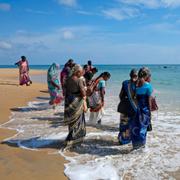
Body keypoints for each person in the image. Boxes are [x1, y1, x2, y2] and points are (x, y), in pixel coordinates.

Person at [64, 64, 87, 148]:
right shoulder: (78, 80)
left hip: (68, 102)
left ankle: (70, 138)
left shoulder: (67, 79)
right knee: (78, 120)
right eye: (80, 72)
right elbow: (83, 93)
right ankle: (76, 141)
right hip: (77, 103)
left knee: (71, 122)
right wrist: (85, 90)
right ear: (77, 72)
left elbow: (65, 90)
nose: (81, 74)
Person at [130, 67, 153, 150]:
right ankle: (141, 147)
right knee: (143, 128)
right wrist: (150, 112)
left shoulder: (135, 85)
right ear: (146, 75)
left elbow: (134, 97)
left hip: (136, 109)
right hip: (145, 110)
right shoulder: (148, 86)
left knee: (136, 127)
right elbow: (149, 101)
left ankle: (135, 146)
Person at [118, 69, 138, 145]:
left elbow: (120, 95)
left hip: (124, 108)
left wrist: (124, 102)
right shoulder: (138, 84)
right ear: (137, 76)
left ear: (130, 75)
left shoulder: (125, 83)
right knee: (132, 125)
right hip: (133, 108)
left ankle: (122, 140)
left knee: (123, 124)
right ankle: (129, 141)